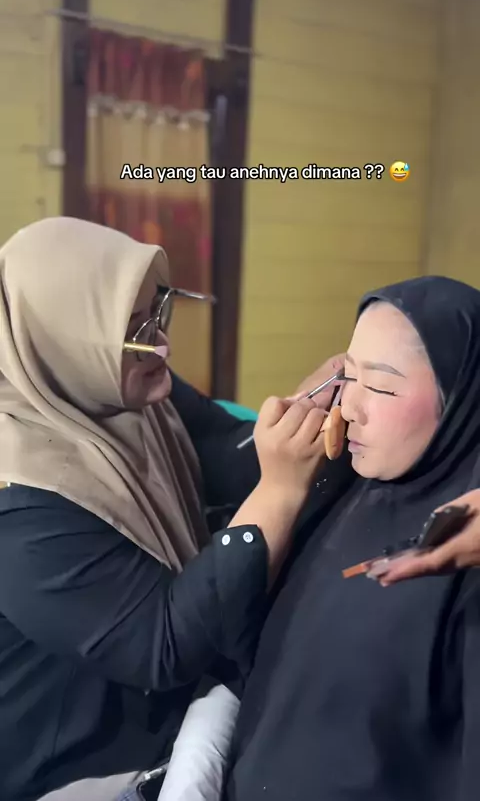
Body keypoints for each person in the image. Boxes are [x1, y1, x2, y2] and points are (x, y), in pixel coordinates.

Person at [0, 217, 342, 801]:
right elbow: (161, 646)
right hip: (76, 760)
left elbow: (221, 449)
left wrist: (301, 412)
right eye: (134, 329)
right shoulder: (21, 510)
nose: (160, 342)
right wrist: (281, 490)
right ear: (61, 346)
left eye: (159, 310)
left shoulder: (112, 384)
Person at [222, 275, 480, 801]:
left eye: (381, 387)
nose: (349, 407)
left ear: (461, 398)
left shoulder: (466, 550)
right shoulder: (340, 490)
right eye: (349, 376)